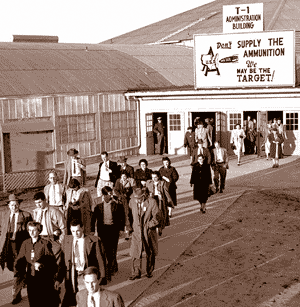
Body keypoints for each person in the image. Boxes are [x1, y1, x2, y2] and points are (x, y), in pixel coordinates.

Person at [60, 219, 107, 307]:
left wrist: (102, 276)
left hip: (86, 272)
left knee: (86, 296)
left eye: (78, 231)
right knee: (72, 295)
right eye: (73, 231)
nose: (75, 234)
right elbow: (62, 260)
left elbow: (100, 259)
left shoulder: (94, 241)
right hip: (72, 274)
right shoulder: (66, 240)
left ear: (82, 228)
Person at [14, 221, 60, 307]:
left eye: (34, 230)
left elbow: (52, 262)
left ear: (39, 231)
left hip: (44, 279)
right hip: (31, 278)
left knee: (44, 301)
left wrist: (41, 264)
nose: (31, 232)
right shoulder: (25, 243)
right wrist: (19, 276)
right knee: (33, 301)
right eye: (30, 230)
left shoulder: (45, 243)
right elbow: (19, 260)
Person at [0, 194, 32, 305]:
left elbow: (31, 232)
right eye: (12, 205)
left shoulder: (26, 215)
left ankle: (16, 295)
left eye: (16, 204)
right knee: (12, 267)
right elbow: (2, 230)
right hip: (9, 246)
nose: (14, 207)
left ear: (19, 204)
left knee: (18, 269)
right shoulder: (5, 215)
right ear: (8, 206)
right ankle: (23, 279)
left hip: (21, 246)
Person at [126, 188, 161, 280]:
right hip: (136, 231)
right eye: (135, 198)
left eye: (139, 198)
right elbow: (128, 215)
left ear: (143, 196)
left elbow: (157, 216)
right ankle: (136, 273)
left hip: (148, 232)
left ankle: (149, 271)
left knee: (150, 252)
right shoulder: (132, 201)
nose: (137, 200)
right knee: (135, 252)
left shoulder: (152, 202)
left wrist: (149, 225)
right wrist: (129, 226)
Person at [91, 186, 125, 280]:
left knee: (113, 250)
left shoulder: (116, 202)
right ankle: (111, 266)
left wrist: (122, 229)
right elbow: (93, 217)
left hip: (113, 229)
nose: (111, 195)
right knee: (104, 250)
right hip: (103, 229)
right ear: (104, 195)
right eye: (109, 194)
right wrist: (92, 230)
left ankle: (111, 268)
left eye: (111, 193)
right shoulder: (97, 202)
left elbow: (122, 216)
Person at [146, 171, 174, 235]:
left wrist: (169, 203)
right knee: (152, 214)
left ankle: (160, 228)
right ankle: (153, 226)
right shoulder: (149, 182)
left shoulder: (162, 183)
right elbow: (145, 192)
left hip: (159, 200)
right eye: (152, 177)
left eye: (155, 177)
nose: (153, 179)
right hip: (151, 200)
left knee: (160, 214)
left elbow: (167, 194)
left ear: (158, 177)